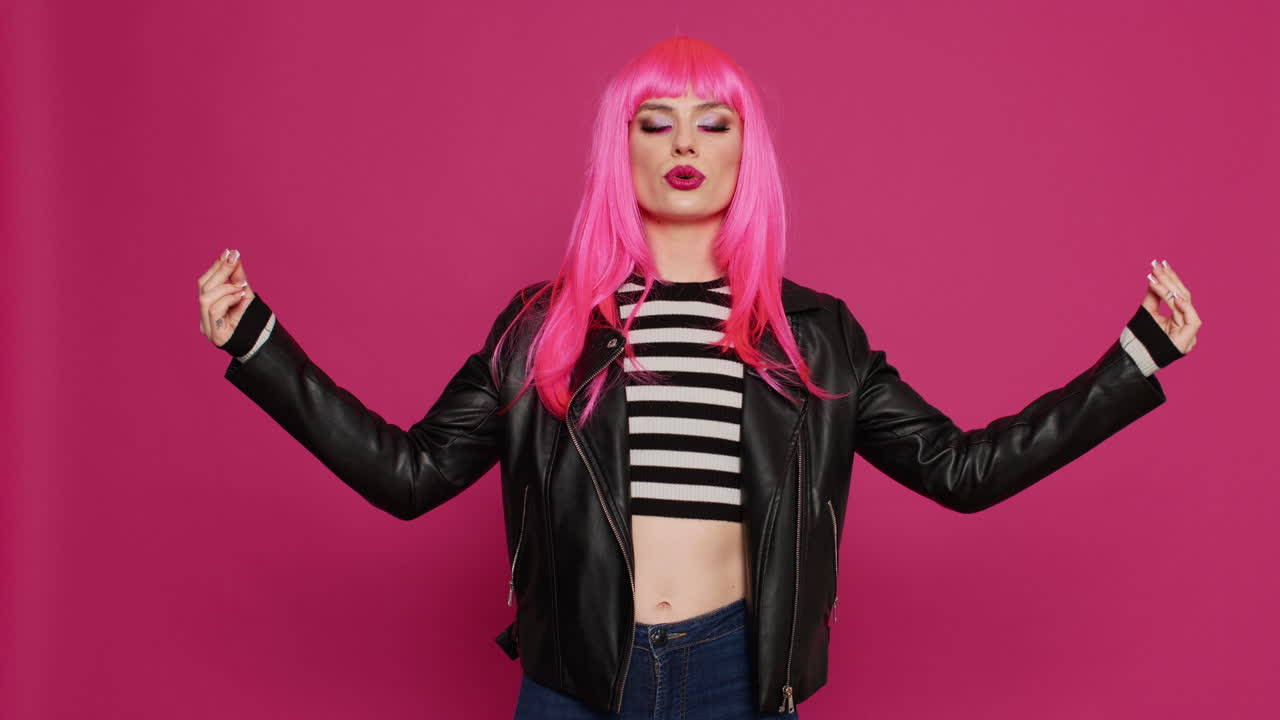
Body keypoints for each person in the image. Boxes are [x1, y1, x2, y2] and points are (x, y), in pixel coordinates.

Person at [194, 36, 1201, 720]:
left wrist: (1133, 363)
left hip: (734, 671)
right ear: (618, 151)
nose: (683, 141)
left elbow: (960, 469)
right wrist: (259, 342)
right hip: (572, 677)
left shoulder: (813, 336)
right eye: (653, 121)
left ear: (741, 154)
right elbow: (409, 476)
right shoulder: (541, 328)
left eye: (712, 122)